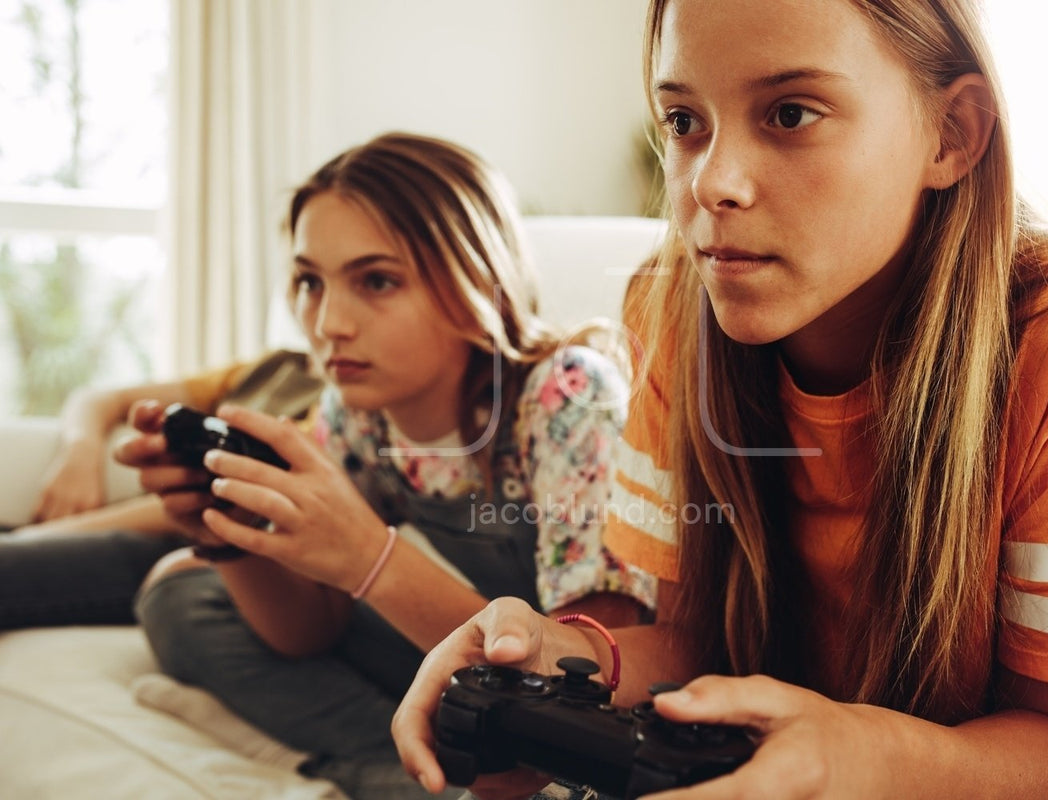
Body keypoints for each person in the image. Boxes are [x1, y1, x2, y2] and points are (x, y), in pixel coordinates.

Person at [393, 2, 1048, 799]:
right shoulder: (671, 309)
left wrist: (859, 753)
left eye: (789, 113)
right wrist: (565, 660)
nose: (712, 184)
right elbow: (693, 645)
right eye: (683, 121)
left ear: (952, 134)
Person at [115, 131, 655, 800]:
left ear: (472, 283)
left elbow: (590, 675)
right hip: (468, 662)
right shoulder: (357, 413)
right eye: (310, 281)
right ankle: (403, 771)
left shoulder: (566, 396)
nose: (329, 322)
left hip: (558, 681)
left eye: (376, 281)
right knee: (181, 593)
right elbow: (308, 631)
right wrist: (226, 522)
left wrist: (369, 557)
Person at [0, 349, 321, 629]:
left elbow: (202, 508)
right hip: (132, 520)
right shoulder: (273, 367)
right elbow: (98, 397)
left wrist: (52, 532)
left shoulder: (333, 414)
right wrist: (81, 452)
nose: (328, 322)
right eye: (309, 283)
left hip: (185, 547)